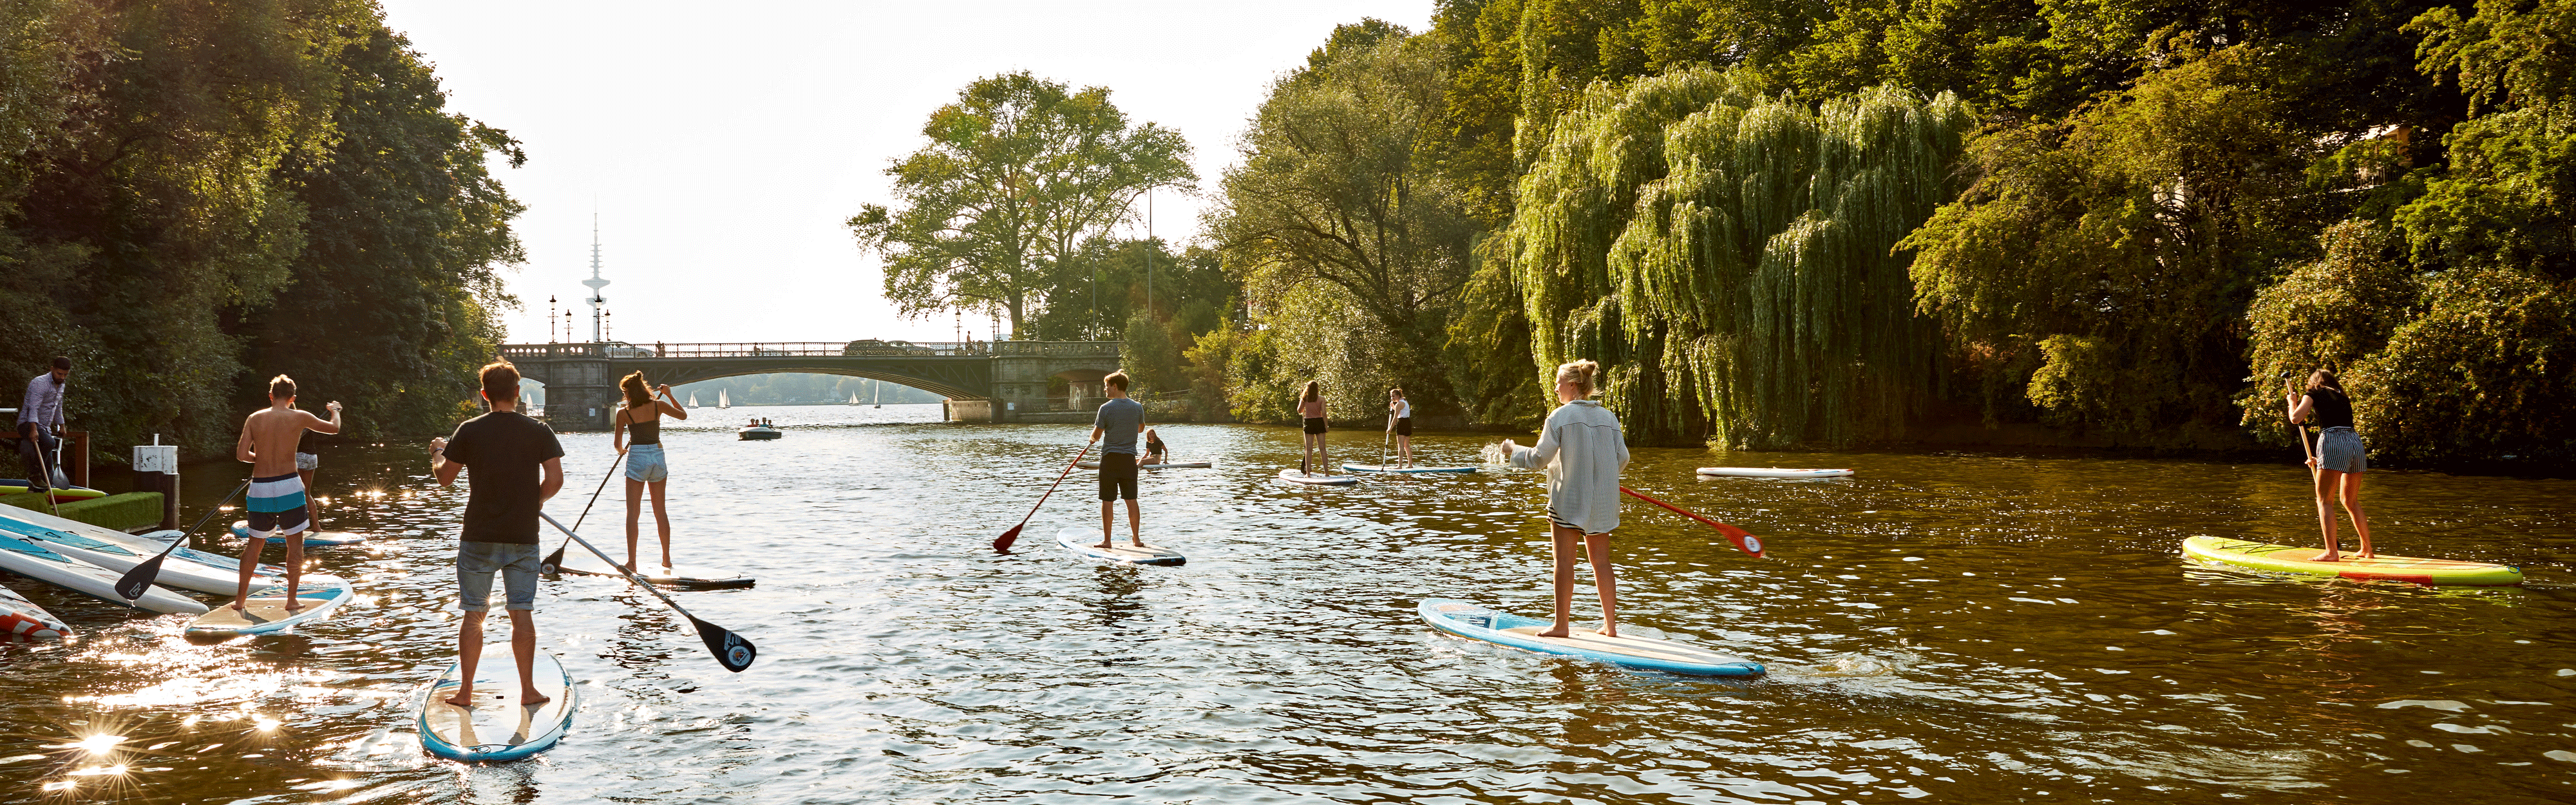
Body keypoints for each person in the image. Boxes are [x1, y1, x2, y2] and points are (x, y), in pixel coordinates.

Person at [429, 360, 565, 708]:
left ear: (484, 394)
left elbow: (445, 478)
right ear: (518, 393)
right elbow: (555, 482)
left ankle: (465, 692)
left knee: (474, 614)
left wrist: (437, 454)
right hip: (524, 537)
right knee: (522, 612)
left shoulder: (469, 430)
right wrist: (532, 502)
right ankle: (529, 691)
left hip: (479, 536)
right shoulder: (540, 431)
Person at [1498, 359, 1631, 638]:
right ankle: (1611, 626)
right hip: (1602, 501)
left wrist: (1512, 450)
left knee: (1564, 562)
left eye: (1559, 382)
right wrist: (1603, 476)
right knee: (1602, 562)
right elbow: (1623, 458)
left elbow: (1537, 459)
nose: (1556, 388)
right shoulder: (1609, 418)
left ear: (1572, 385)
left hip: (1568, 499)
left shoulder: (1559, 417)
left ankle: (1561, 626)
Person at [229, 375, 341, 611]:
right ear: (293, 398)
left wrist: (262, 459)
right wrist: (335, 410)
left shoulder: (254, 418)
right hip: (289, 485)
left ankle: (240, 602)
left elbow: (241, 455)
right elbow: (334, 429)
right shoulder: (300, 416)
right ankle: (291, 601)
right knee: (295, 546)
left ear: (271, 396)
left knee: (254, 545)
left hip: (259, 488)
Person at [2287, 370, 2373, 562]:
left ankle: (2331, 552)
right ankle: (2367, 549)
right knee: (2350, 501)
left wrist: (2292, 403)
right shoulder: (2343, 396)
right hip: (2354, 442)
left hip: (2333, 441)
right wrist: (2320, 460)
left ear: (2314, 382)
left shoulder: (2313, 393)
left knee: (2324, 501)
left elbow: (2296, 418)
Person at [612, 371, 688, 572]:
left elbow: (618, 445)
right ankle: (667, 559)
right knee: (660, 511)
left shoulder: (623, 413)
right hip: (658, 456)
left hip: (637, 457)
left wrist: (622, 451)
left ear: (628, 393)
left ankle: (632, 563)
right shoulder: (658, 405)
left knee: (633, 513)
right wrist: (670, 395)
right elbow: (683, 416)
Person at [1088, 370, 1146, 549]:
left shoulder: (1106, 408)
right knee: (1131, 499)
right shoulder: (1137, 407)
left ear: (1115, 386)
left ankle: (1107, 541)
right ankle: (1136, 540)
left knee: (1108, 500)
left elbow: (1096, 436)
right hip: (1129, 460)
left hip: (1111, 459)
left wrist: (1091, 440)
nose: (1105, 389)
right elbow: (1141, 429)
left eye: (1106, 386)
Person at [14, 357, 69, 492]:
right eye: (59, 374)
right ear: (52, 369)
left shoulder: (61, 385)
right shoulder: (40, 383)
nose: (62, 377)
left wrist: (62, 426)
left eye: (65, 375)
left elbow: (58, 407)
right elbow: (33, 408)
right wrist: (33, 430)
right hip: (27, 423)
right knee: (50, 443)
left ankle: (33, 494)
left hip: (44, 428)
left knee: (48, 476)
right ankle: (34, 473)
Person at [1296, 381, 1331, 475]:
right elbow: (1323, 413)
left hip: (1309, 423)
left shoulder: (1305, 398)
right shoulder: (1322, 398)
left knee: (1308, 449)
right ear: (1317, 388)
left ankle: (1308, 474)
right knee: (1323, 449)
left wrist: (1302, 398)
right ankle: (1326, 473)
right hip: (1319, 422)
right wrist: (1326, 426)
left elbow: (1300, 411)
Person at [1386, 388, 1416, 468]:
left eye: (1394, 396)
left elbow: (1395, 418)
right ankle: (1410, 465)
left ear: (1398, 396)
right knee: (1407, 446)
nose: (1392, 398)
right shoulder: (1404, 401)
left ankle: (1400, 466)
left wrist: (1390, 429)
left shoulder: (1399, 404)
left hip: (1402, 423)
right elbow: (1401, 412)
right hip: (1407, 422)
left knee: (1401, 446)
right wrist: (1393, 406)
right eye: (1391, 397)